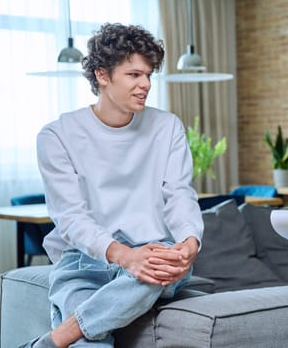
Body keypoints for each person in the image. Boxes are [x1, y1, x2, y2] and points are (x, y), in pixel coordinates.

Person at [20, 23, 203, 347]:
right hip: (84, 261)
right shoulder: (57, 135)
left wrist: (189, 241)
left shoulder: (167, 127)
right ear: (103, 75)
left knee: (157, 268)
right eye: (134, 75)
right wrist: (123, 256)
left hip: (155, 250)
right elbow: (71, 218)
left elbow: (179, 194)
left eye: (148, 75)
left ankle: (58, 337)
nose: (145, 84)